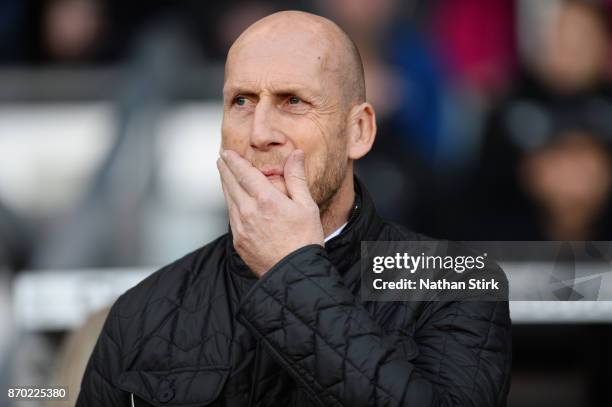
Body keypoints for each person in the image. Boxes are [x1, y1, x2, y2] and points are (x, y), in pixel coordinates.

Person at [76, 10, 511, 406]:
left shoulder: (453, 281)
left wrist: (292, 270)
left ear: (358, 131)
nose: (260, 132)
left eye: (293, 101)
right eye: (241, 101)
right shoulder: (144, 311)